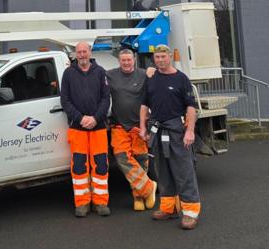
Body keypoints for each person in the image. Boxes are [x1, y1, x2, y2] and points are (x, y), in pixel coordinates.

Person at [139, 44, 201, 230]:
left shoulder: (181, 79)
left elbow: (190, 107)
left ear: (169, 57)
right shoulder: (151, 78)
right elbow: (144, 104)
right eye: (157, 57)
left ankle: (190, 211)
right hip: (157, 129)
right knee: (162, 170)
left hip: (176, 130)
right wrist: (142, 127)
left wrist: (189, 131)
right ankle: (168, 207)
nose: (160, 60)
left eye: (163, 57)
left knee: (183, 171)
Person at [61, 41, 111, 217]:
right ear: (75, 54)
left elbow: (106, 99)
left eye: (84, 51)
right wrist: (81, 118)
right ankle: (82, 203)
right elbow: (65, 101)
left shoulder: (100, 72)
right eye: (79, 52)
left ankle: (101, 202)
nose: (82, 54)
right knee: (80, 166)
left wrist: (95, 118)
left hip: (98, 128)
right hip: (77, 128)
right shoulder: (68, 74)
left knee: (101, 165)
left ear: (90, 52)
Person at [106, 49, 157, 211]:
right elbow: (92, 73)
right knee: (122, 159)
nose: (126, 63)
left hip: (138, 126)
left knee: (141, 161)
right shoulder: (111, 75)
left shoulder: (143, 74)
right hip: (119, 126)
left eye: (129, 60)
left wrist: (153, 71)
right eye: (123, 60)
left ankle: (139, 198)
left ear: (134, 60)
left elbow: (157, 86)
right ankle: (149, 187)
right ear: (119, 61)